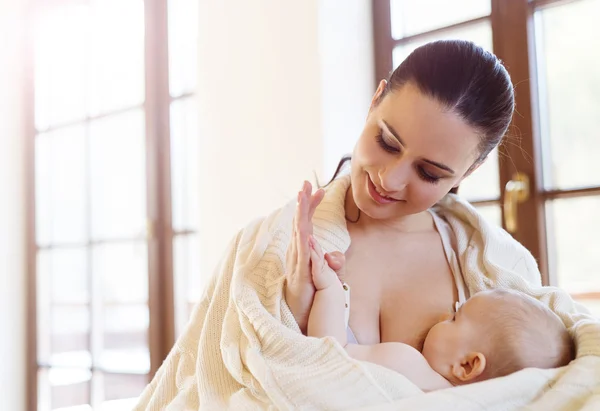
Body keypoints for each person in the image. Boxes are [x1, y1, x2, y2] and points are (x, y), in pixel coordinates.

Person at [135, 40, 598, 410]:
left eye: (429, 173)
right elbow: (211, 382)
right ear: (375, 100)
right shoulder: (266, 247)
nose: (389, 179)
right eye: (387, 141)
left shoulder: (501, 272)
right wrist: (294, 303)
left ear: (468, 173)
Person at [305, 223, 574, 392]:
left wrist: (329, 287)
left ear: (467, 365)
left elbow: (329, 353)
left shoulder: (408, 364)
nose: (446, 314)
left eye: (456, 317)